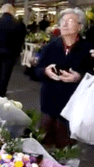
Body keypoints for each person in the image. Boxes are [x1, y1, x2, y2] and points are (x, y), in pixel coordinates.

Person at [35, 8, 94, 149]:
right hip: (49, 103)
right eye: (62, 21)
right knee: (43, 145)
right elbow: (35, 71)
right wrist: (45, 71)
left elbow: (92, 74)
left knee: (65, 148)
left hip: (72, 107)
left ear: (80, 27)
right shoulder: (50, 46)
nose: (64, 25)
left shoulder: (88, 49)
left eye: (70, 21)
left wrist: (79, 77)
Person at [0, 3, 26, 97]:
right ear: (11, 11)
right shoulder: (18, 24)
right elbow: (22, 38)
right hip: (11, 53)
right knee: (6, 73)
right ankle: (1, 92)